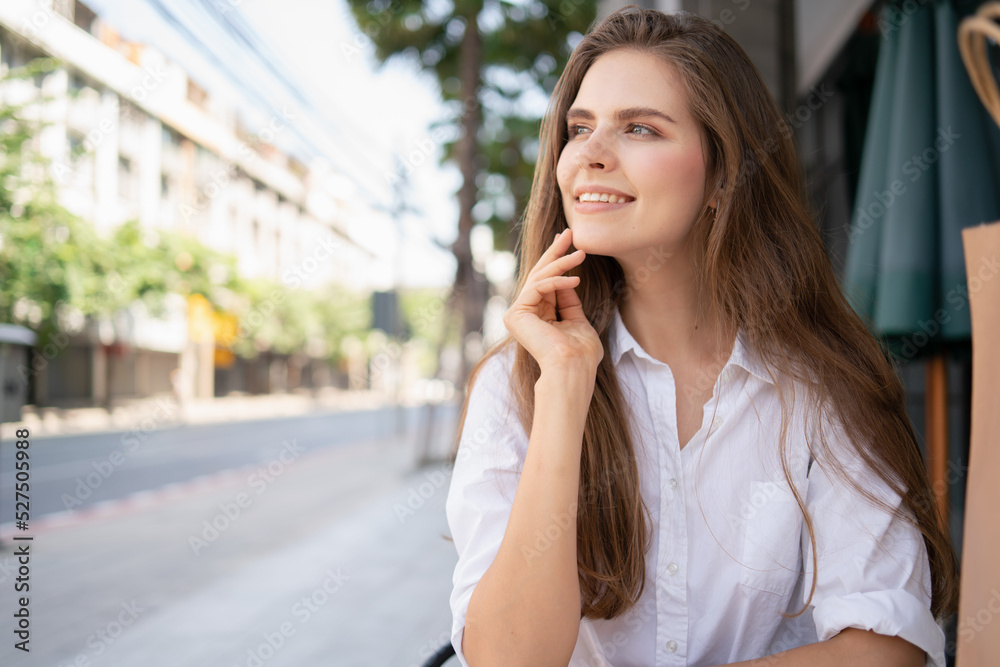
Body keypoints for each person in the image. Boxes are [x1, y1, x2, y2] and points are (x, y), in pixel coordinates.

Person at [444, 7, 958, 666]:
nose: (592, 154)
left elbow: (888, 648)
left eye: (639, 128)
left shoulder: (822, 383)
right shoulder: (515, 383)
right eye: (579, 127)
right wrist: (566, 390)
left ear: (722, 176)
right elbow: (509, 658)